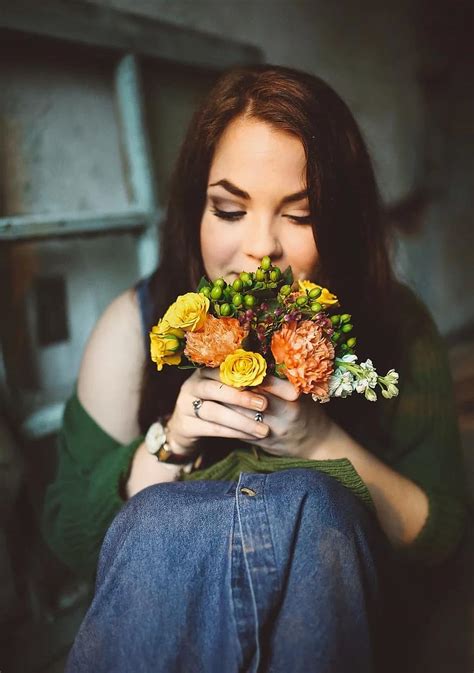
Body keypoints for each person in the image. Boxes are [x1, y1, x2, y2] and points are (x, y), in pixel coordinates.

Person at [41, 64, 468, 672]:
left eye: (300, 214)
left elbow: (441, 539)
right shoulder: (135, 325)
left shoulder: (395, 325)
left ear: (341, 218)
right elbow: (70, 537)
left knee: (310, 505)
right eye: (229, 209)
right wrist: (172, 444)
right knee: (163, 520)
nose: (261, 247)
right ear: (196, 210)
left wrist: (318, 438)